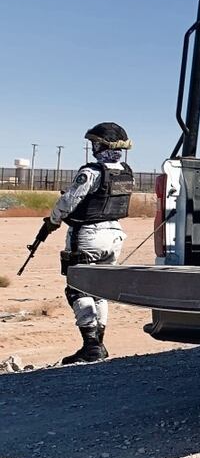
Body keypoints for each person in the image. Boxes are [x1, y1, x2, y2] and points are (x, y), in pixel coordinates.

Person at [41, 122, 133, 364]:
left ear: (101, 145)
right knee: (100, 290)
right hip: (115, 235)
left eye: (95, 143)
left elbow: (69, 201)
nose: (93, 147)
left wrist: (52, 221)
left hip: (88, 235)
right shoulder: (125, 172)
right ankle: (98, 345)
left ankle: (91, 346)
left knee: (78, 288)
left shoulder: (91, 172)